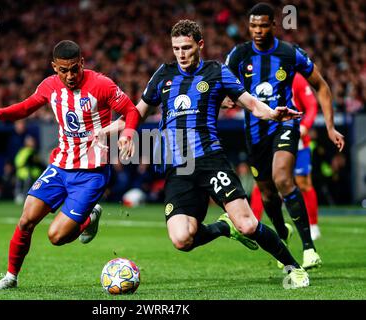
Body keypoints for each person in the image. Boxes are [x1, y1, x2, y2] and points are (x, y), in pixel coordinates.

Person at [106, 19, 310, 288]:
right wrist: (102, 132)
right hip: (179, 167)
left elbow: (251, 103)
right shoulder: (164, 74)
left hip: (211, 160)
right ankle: (225, 228)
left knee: (248, 224)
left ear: (199, 45)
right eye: (176, 48)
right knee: (182, 239)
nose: (181, 54)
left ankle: (293, 267)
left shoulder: (217, 71)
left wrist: (273, 113)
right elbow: (136, 113)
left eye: (187, 47)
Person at [0, 40, 140, 290]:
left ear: (82, 63)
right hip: (60, 167)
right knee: (26, 220)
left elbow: (131, 111)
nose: (70, 75)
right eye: (64, 70)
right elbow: (26, 107)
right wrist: (0, 112)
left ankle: (89, 217)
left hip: (91, 173)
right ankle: (10, 277)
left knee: (56, 237)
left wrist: (126, 135)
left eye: (75, 68)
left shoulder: (102, 85)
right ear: (54, 67)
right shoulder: (49, 86)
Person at [224, 3, 344, 269]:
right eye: (253, 25)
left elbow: (321, 87)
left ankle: (309, 248)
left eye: (263, 25)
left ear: (273, 25)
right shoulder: (238, 55)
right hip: (255, 134)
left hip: (285, 125)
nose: (258, 30)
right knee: (267, 194)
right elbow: (221, 91)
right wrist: (225, 102)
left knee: (283, 178)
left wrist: (330, 126)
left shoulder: (289, 53)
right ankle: (282, 232)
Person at [250, 73, 322, 240]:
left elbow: (311, 105)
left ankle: (312, 225)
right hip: (267, 137)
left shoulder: (295, 77)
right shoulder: (257, 75)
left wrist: (305, 126)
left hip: (295, 136)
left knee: (303, 182)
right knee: (263, 183)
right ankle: (254, 223)